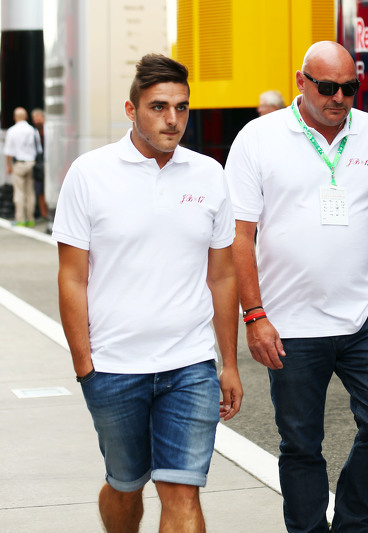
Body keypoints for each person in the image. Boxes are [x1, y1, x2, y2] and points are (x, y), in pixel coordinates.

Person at [225, 41, 368, 533]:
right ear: (301, 81)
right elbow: (239, 237)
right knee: (301, 444)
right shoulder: (258, 137)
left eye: (349, 88)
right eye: (327, 87)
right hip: (288, 325)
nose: (339, 98)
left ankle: (353, 524)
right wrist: (255, 315)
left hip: (362, 319)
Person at [53, 53, 242, 533]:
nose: (172, 119)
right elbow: (72, 276)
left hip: (190, 366)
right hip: (114, 368)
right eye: (158, 106)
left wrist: (229, 363)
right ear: (131, 109)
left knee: (182, 492)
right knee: (125, 483)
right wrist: (84, 365)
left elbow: (222, 276)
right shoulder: (89, 173)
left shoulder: (209, 175)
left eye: (181, 107)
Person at [4, 107, 41, 227]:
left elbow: (8, 151)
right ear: (26, 117)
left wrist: (8, 166)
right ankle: (30, 219)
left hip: (19, 163)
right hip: (31, 163)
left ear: (15, 117)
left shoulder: (12, 131)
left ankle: (20, 219)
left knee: (19, 192)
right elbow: (39, 149)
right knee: (30, 191)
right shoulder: (32, 130)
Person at [31, 108, 50, 223]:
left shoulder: (49, 130)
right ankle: (43, 214)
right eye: (34, 119)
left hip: (50, 162)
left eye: (38, 118)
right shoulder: (34, 132)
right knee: (39, 189)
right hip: (39, 163)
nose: (36, 121)